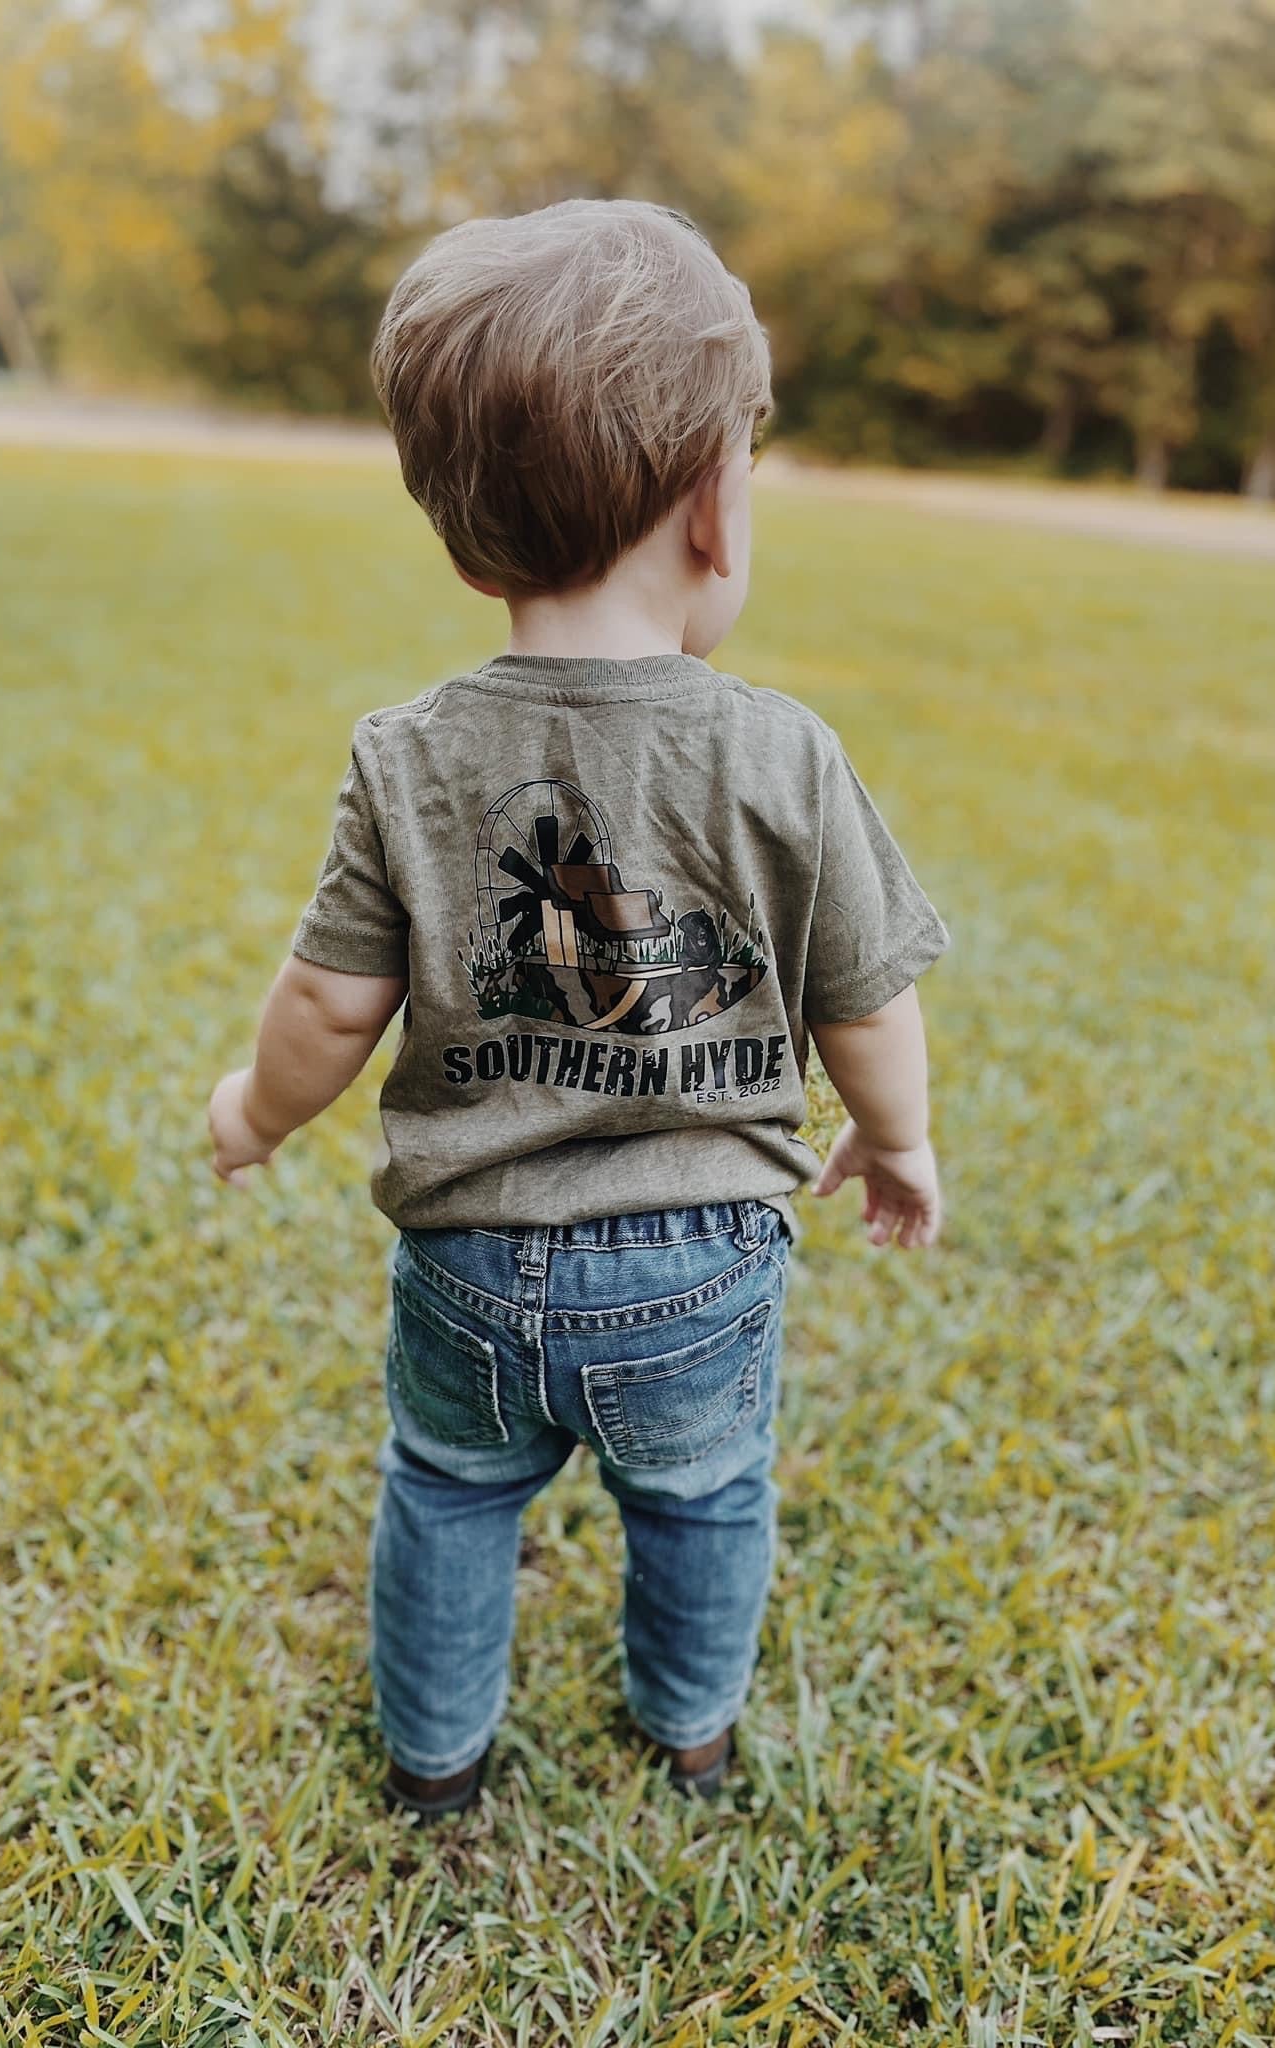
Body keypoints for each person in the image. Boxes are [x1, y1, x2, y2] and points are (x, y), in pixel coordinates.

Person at [207, 199, 949, 1818]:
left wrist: (251, 1114)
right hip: (699, 1268)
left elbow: (332, 1003)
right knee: (703, 1502)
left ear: (466, 538)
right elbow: (865, 999)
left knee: (450, 1493)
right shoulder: (780, 752)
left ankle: (435, 1764)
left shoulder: (406, 753)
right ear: (716, 514)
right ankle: (690, 1736)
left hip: (468, 1259)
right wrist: (897, 1145)